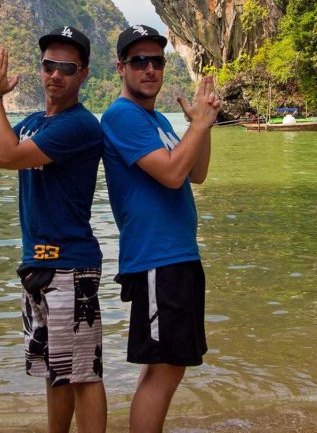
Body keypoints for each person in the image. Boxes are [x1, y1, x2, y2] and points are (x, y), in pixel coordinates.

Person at [0, 26, 106, 433]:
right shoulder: (34, 123)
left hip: (71, 268)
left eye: (67, 68)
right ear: (40, 67)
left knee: (83, 373)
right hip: (38, 268)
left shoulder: (80, 126)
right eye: (49, 65)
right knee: (55, 371)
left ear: (83, 74)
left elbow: (8, 157)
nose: (56, 76)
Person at [100, 24, 221, 433]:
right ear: (121, 68)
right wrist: (198, 126)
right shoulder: (122, 116)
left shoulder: (156, 122)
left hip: (178, 257)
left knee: (164, 367)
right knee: (166, 370)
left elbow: (197, 173)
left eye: (156, 61)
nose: (149, 69)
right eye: (139, 61)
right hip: (158, 259)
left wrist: (200, 126)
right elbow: (171, 174)